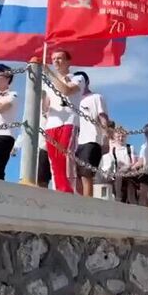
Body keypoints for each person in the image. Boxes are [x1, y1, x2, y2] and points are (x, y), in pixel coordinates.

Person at [42, 49, 82, 193]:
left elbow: (67, 91)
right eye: (53, 59)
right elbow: (45, 107)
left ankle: (69, 190)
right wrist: (40, 95)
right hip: (52, 123)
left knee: (65, 156)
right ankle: (60, 189)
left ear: (68, 62)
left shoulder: (77, 78)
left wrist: (49, 74)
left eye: (59, 58)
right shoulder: (49, 83)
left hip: (69, 122)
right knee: (54, 160)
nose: (56, 61)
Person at [74, 71, 109, 197]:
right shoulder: (73, 100)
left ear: (87, 82)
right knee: (75, 175)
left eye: (81, 80)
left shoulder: (96, 97)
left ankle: (87, 204)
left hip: (91, 140)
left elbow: (103, 118)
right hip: (75, 142)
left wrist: (106, 138)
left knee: (86, 175)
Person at [109, 127, 137, 203]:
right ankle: (118, 199)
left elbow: (133, 162)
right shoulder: (113, 150)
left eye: (123, 136)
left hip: (129, 172)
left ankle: (132, 204)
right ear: (115, 137)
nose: (121, 138)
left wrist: (127, 167)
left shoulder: (130, 148)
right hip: (118, 174)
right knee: (118, 176)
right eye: (118, 136)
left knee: (131, 191)